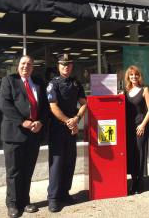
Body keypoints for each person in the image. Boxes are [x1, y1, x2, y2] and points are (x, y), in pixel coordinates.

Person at [0, 55, 50, 218]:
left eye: (29, 64)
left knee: (27, 170)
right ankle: (12, 203)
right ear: (17, 66)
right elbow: (5, 105)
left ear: (33, 67)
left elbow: (45, 107)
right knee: (14, 171)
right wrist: (23, 122)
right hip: (14, 133)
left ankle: (24, 200)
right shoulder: (9, 81)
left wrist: (40, 121)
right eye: (22, 63)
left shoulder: (39, 82)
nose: (25, 66)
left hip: (33, 134)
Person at [46, 53, 87, 212]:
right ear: (59, 66)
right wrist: (68, 121)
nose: (66, 67)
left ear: (72, 66)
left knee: (70, 161)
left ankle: (64, 193)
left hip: (72, 128)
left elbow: (84, 104)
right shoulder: (53, 84)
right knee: (56, 163)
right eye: (63, 65)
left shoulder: (76, 83)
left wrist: (76, 119)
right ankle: (53, 198)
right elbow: (53, 106)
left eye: (69, 65)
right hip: (57, 128)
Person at [124, 65, 149, 194]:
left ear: (139, 76)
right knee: (131, 154)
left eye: (136, 74)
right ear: (128, 77)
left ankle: (139, 183)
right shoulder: (125, 91)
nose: (134, 77)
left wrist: (143, 125)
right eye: (131, 75)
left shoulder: (145, 90)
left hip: (140, 127)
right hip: (128, 128)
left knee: (140, 154)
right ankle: (133, 179)